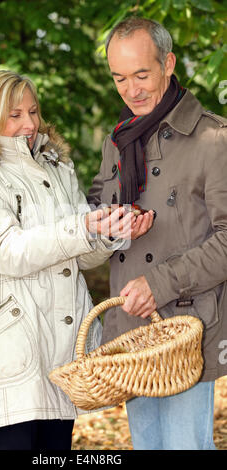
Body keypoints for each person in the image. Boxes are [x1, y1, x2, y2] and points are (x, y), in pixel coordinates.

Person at [0, 70, 151, 450]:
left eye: (32, 112)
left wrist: (111, 231)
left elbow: (79, 257)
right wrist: (80, 227)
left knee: (54, 452)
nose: (30, 124)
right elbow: (7, 253)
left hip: (62, 342)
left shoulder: (55, 166)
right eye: (15, 115)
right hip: (10, 336)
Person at [87, 17, 227, 450]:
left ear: (168, 64)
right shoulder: (119, 139)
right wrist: (108, 223)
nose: (132, 90)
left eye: (142, 74)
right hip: (131, 330)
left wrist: (160, 282)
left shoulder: (214, 137)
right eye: (120, 79)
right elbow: (95, 209)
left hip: (186, 327)